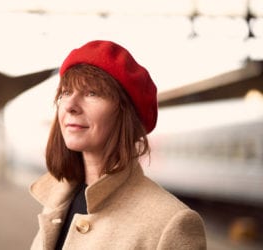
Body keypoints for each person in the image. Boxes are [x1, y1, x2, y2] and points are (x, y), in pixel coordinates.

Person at [29, 40, 207, 250]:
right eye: (65, 92)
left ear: (126, 115)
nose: (69, 105)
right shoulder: (56, 199)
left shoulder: (171, 223)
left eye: (91, 93)